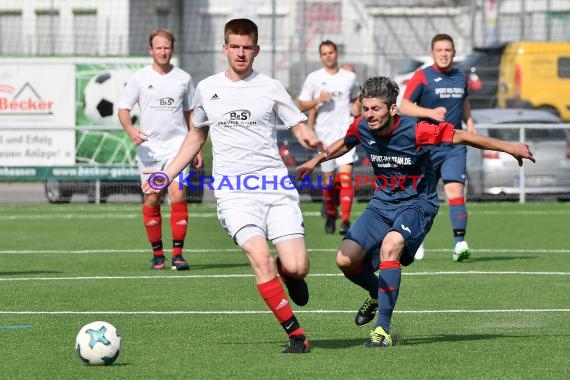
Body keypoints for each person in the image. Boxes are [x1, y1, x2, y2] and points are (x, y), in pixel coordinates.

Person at [297, 76, 534, 348]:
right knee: (345, 260)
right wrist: (317, 159)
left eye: (377, 109)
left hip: (418, 204)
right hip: (382, 204)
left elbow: (461, 136)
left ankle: (382, 329)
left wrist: (511, 147)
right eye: (366, 109)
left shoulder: (417, 130)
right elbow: (346, 141)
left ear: (393, 109)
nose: (370, 115)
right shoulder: (363, 126)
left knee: (391, 245)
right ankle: (376, 293)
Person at [142, 18, 326, 354]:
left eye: (247, 48)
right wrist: (166, 175)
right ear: (224, 48)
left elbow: (298, 125)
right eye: (235, 47)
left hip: (274, 187)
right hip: (233, 193)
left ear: (257, 50)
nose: (241, 53)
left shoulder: (270, 86)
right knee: (259, 257)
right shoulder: (207, 88)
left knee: (298, 266)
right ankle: (296, 334)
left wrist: (309, 138)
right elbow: (196, 135)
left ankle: (289, 272)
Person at [118, 28, 203, 270]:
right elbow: (123, 108)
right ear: (150, 50)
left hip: (178, 146)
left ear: (172, 49)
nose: (163, 51)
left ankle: (178, 254)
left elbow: (190, 114)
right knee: (152, 198)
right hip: (149, 149)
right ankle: (157, 254)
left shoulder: (184, 78)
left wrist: (194, 148)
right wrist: (130, 130)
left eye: (166, 47)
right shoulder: (139, 78)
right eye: (158, 47)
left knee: (178, 195)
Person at [399, 33, 476, 262]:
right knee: (424, 195)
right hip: (427, 146)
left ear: (453, 52)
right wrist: (429, 113)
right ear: (432, 53)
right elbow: (404, 106)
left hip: (454, 145)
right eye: (439, 50)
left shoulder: (460, 77)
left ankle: (460, 243)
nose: (444, 54)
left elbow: (463, 102)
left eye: (448, 50)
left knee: (455, 192)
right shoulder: (422, 76)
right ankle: (417, 239)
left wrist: (470, 123)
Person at [298, 42, 360, 235]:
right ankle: (331, 213)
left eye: (331, 52)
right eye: (324, 53)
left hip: (346, 134)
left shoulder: (350, 77)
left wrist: (356, 107)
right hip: (324, 136)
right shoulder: (314, 78)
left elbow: (358, 99)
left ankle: (346, 220)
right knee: (328, 181)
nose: (328, 56)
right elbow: (301, 105)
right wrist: (318, 100)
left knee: (345, 178)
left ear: (336, 54)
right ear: (320, 56)